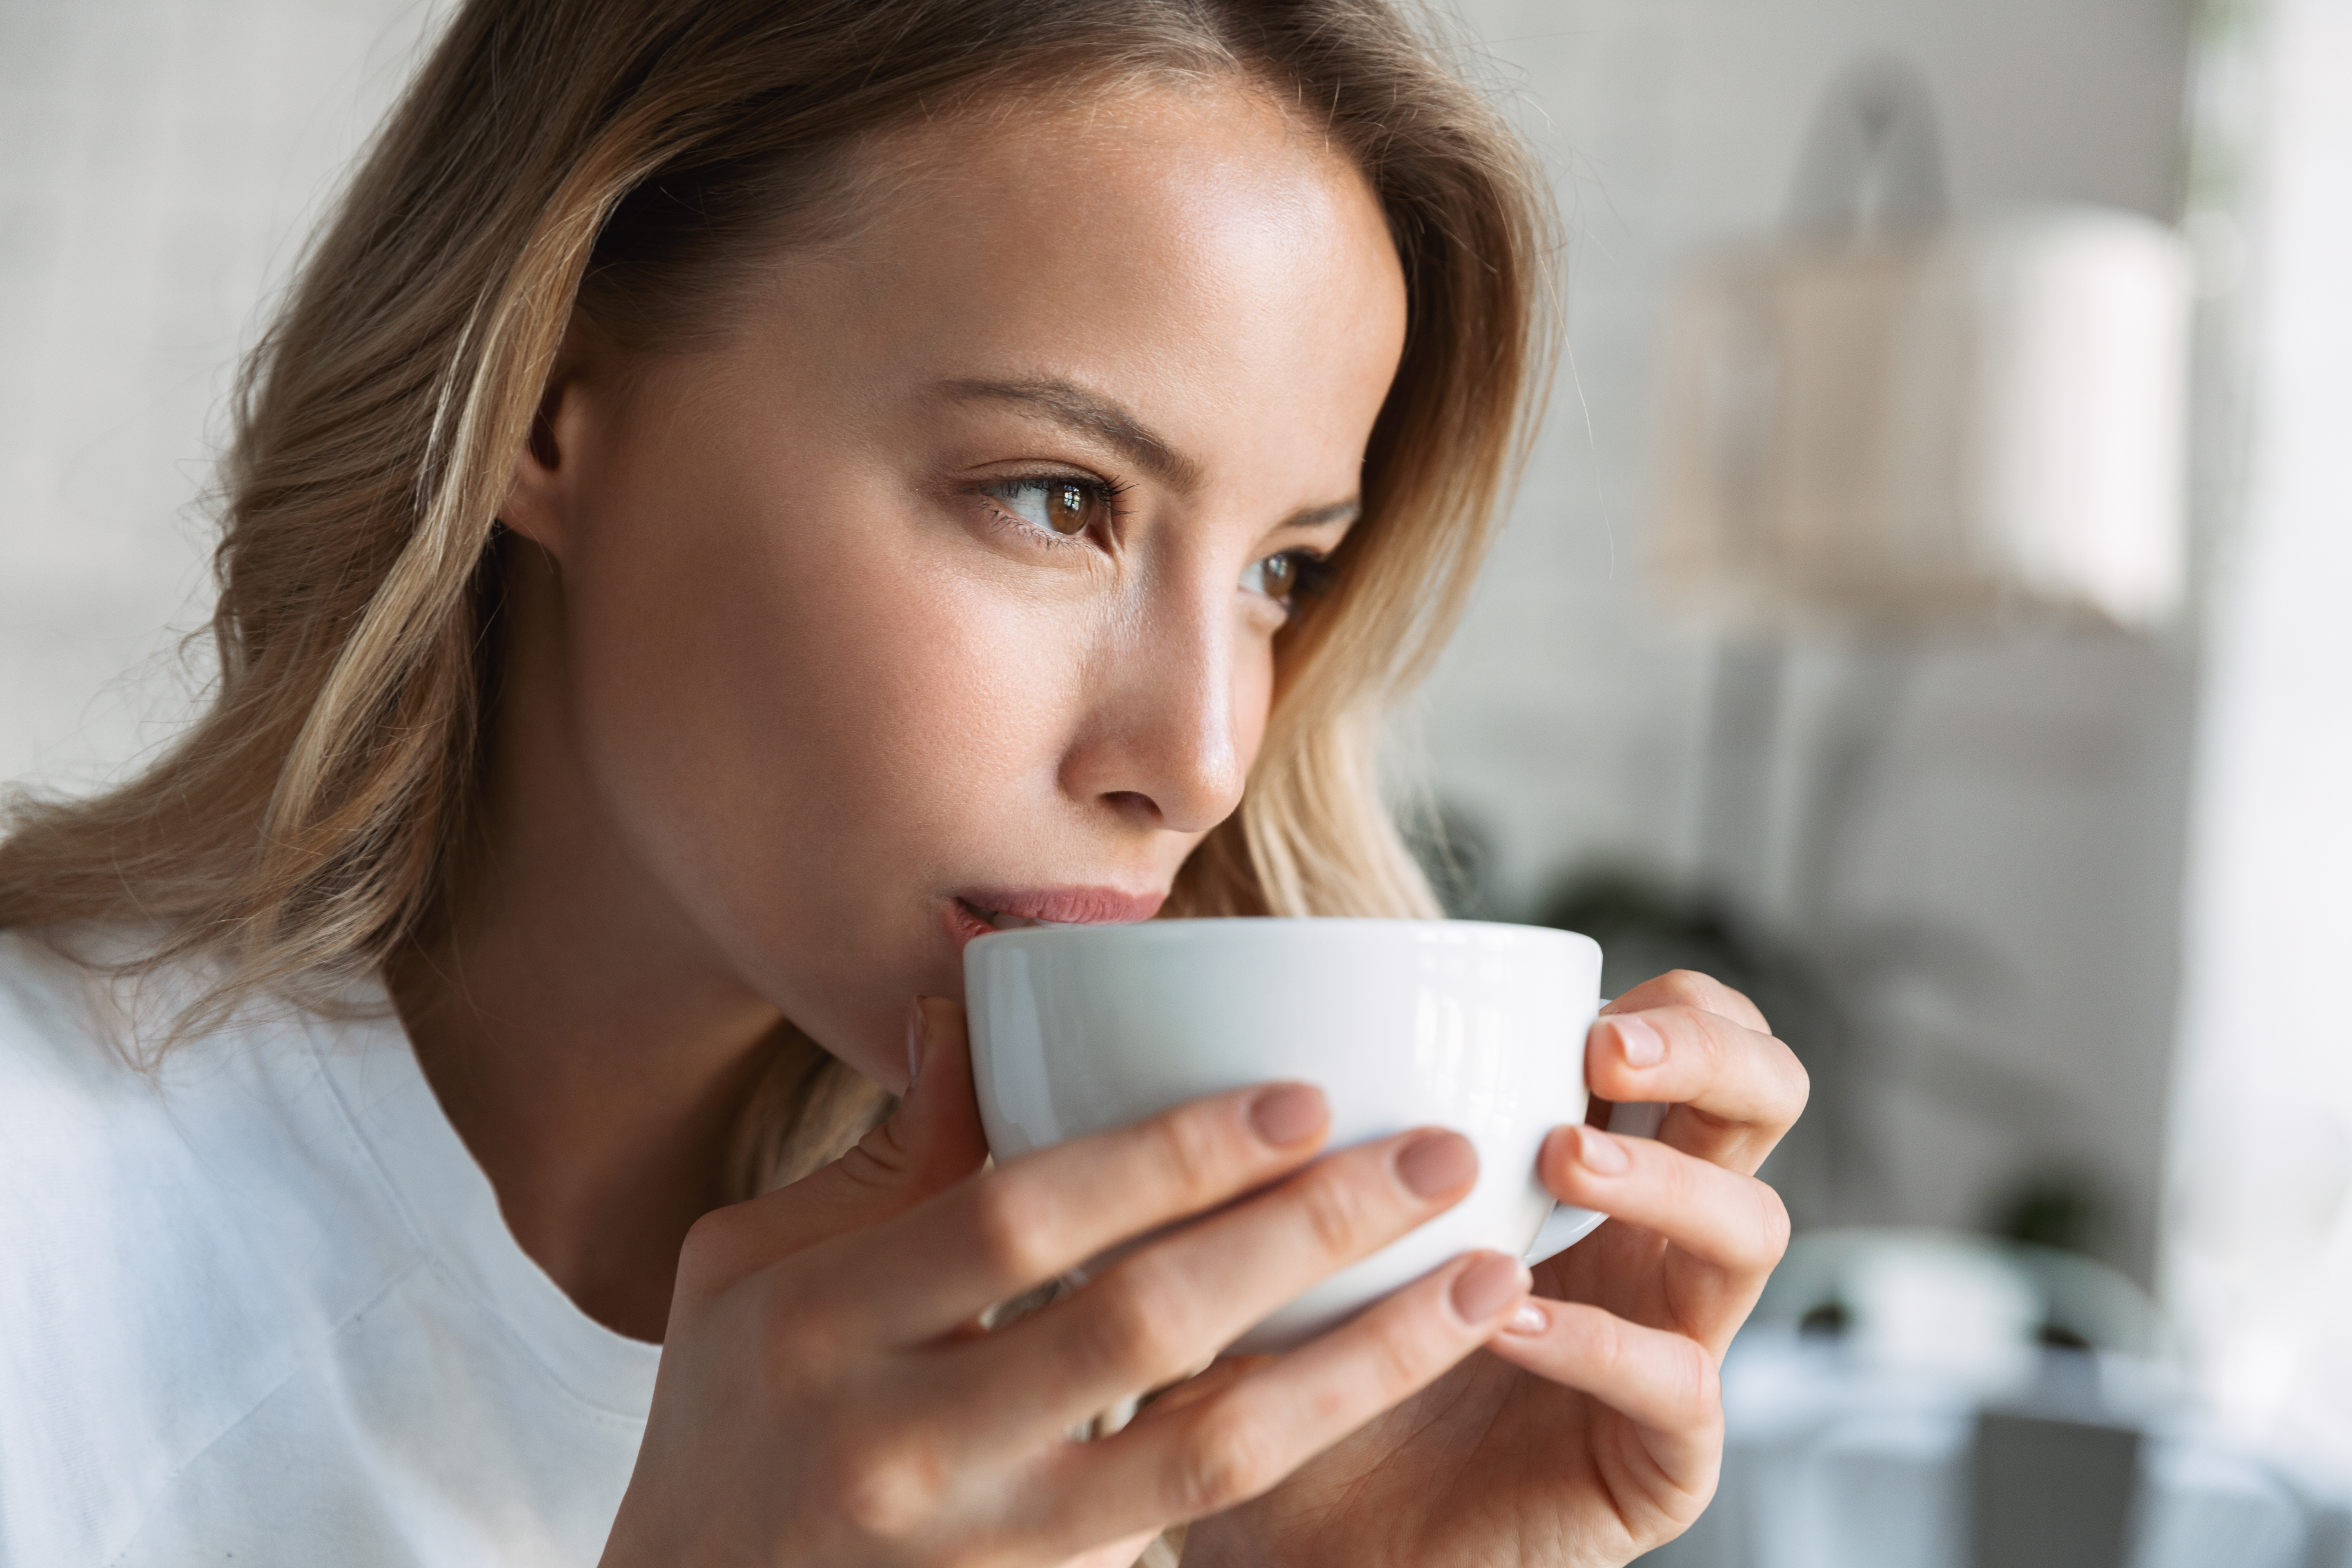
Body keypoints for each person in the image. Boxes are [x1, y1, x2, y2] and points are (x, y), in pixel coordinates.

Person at [0, 1, 1806, 1563]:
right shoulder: (49, 1217)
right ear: (546, 403)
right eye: (1057, 498)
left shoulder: (1129, 1385)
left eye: (1282, 574)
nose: (1197, 760)